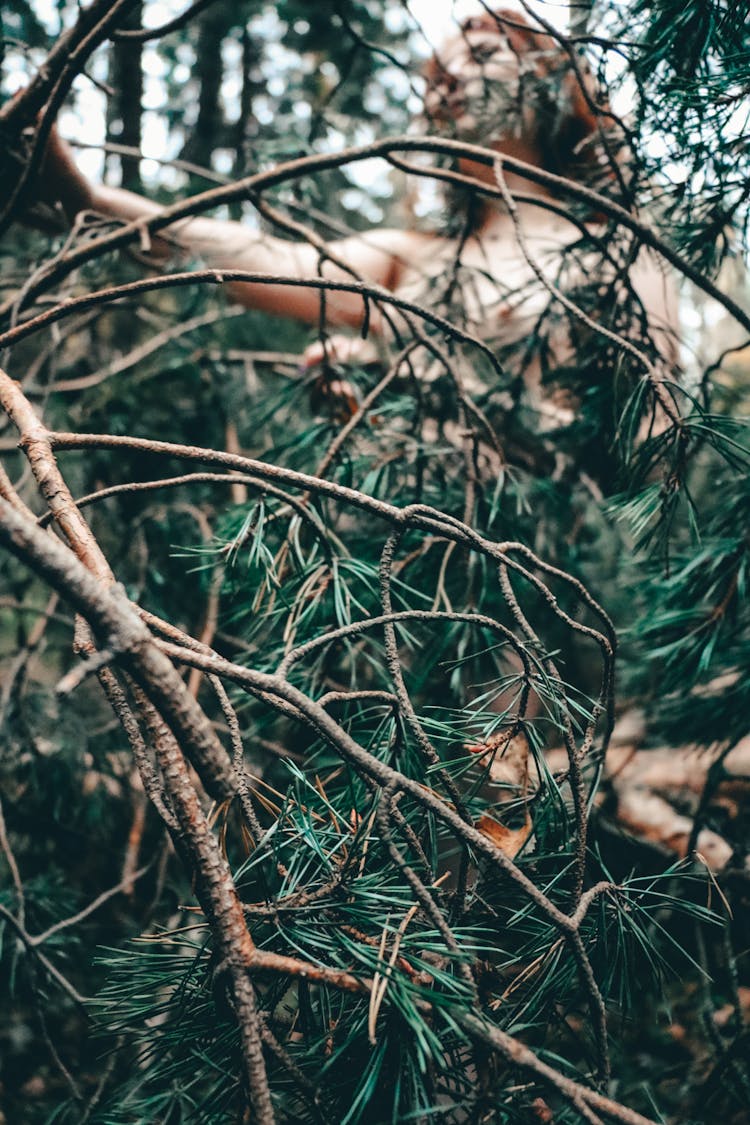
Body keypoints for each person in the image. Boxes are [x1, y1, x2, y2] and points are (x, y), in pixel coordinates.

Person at [37, 7, 678, 458]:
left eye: (483, 55)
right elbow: (268, 259)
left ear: (555, 87)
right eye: (435, 79)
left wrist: (426, 390)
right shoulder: (409, 260)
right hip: (410, 594)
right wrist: (88, 202)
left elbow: (657, 444)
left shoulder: (616, 249)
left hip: (564, 603)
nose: (449, 81)